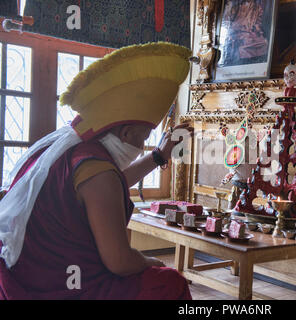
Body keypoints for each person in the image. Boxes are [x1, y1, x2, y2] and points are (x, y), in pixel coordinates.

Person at [0, 42, 193, 299]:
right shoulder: (98, 172)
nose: (141, 145)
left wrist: (158, 156)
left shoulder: (71, 149)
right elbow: (120, 262)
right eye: (143, 136)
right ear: (125, 133)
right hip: (61, 287)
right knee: (169, 283)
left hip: (23, 274)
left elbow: (108, 187)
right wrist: (151, 262)